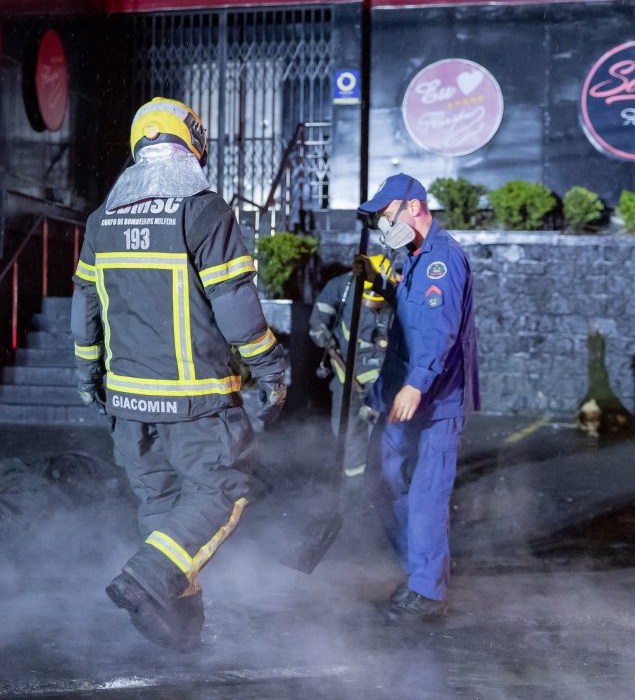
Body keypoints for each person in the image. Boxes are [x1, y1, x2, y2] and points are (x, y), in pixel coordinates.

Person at [70, 97, 289, 651]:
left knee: (164, 506)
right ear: (193, 144)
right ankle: (147, 579)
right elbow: (234, 302)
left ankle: (179, 624)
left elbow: (85, 307)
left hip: (127, 405)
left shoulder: (103, 219)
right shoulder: (203, 210)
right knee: (224, 490)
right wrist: (270, 368)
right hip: (196, 401)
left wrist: (86, 373)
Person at [356, 173, 478, 624]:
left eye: (387, 215)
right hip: (404, 399)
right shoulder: (415, 258)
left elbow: (438, 332)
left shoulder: (441, 262)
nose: (384, 226)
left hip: (433, 402)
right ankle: (420, 571)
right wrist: (379, 281)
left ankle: (427, 591)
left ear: (414, 207)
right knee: (387, 486)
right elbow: (410, 317)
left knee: (426, 495)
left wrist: (416, 384)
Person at [307, 254, 394, 478]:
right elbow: (319, 316)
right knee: (344, 427)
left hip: (382, 371)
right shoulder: (342, 286)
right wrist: (319, 330)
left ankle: (382, 476)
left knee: (384, 430)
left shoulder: (396, 290)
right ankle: (355, 477)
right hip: (346, 371)